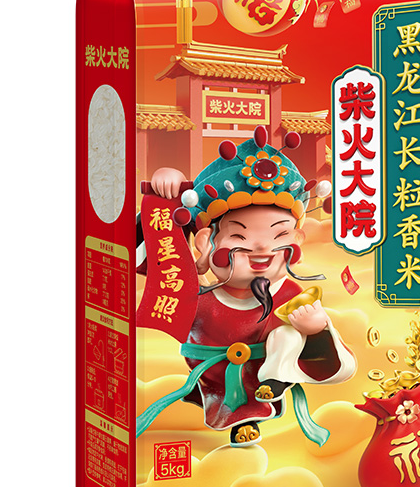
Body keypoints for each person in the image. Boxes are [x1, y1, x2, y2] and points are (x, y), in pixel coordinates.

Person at [136, 127, 356, 447]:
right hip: (215, 376)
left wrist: (316, 329)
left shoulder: (290, 294)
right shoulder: (199, 295)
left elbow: (338, 362)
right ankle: (235, 411)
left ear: (297, 242)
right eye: (239, 236)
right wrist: (163, 199)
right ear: (206, 244)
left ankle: (274, 382)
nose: (262, 249)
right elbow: (156, 262)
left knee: (288, 334)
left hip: (264, 372)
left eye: (279, 236)